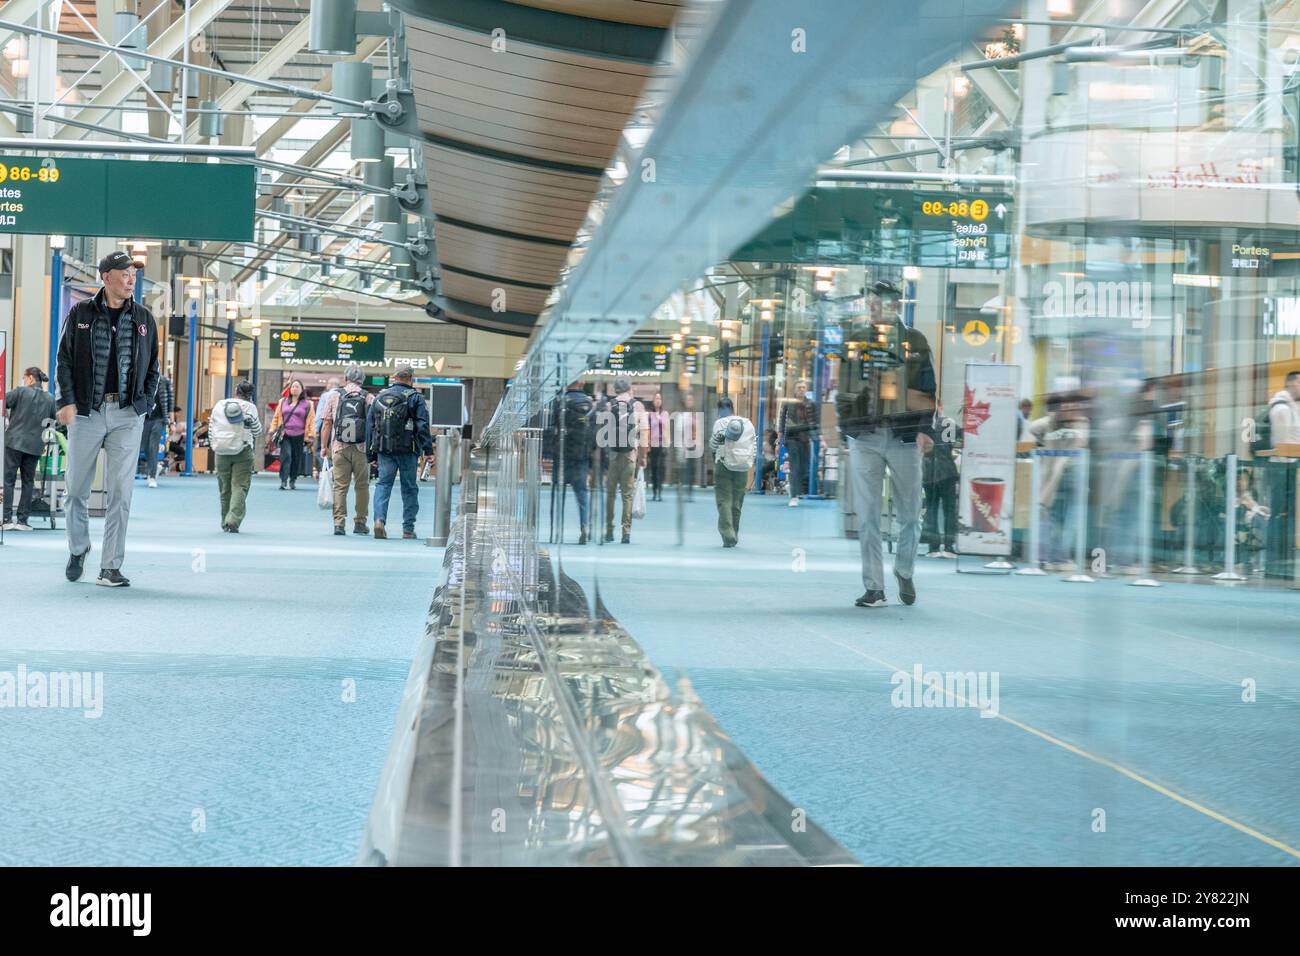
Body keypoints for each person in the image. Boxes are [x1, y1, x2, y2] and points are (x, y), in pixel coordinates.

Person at [55, 250, 160, 588]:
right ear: (106, 277)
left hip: (128, 415)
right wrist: (67, 401)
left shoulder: (144, 318)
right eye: (124, 272)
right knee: (76, 490)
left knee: (120, 493)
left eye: (133, 273)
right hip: (87, 413)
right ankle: (78, 547)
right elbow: (64, 361)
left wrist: (143, 403)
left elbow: (153, 367)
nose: (131, 279)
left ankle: (110, 566)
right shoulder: (81, 313)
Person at [836, 280, 935, 608]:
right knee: (868, 514)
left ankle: (904, 569)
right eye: (872, 304)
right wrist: (847, 425)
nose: (875, 309)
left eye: (881, 304)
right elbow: (844, 385)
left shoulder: (915, 341)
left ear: (895, 305)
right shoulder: (857, 340)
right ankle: (874, 586)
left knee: (910, 512)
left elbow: (927, 387)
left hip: (904, 437)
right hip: (867, 436)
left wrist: (924, 430)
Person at [368, 365, 432, 539]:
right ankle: (408, 529)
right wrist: (428, 449)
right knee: (409, 488)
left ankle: (379, 521)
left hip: (384, 449)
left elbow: (371, 427)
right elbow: (422, 425)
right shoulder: (416, 398)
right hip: (408, 450)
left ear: (395, 377)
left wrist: (371, 454)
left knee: (383, 484)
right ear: (411, 378)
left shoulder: (379, 397)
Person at [319, 363, 373, 536]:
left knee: (340, 486)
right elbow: (374, 424)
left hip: (339, 447)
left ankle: (339, 523)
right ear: (362, 380)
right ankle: (360, 523)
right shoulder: (368, 397)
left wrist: (323, 447)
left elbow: (326, 423)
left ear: (345, 378)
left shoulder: (334, 395)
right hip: (362, 448)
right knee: (362, 486)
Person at [3, 366, 57, 531]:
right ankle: (22, 521)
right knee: (28, 482)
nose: (24, 381)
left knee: (8, 481)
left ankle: (5, 518)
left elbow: (3, 401)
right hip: (34, 446)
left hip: (13, 443)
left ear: (31, 378)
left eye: (25, 378)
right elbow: (53, 421)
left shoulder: (20, 392)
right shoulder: (50, 399)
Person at [598, 376, 647, 544]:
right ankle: (626, 532)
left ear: (615, 389)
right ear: (629, 388)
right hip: (630, 455)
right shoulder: (638, 406)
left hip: (612, 455)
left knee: (610, 494)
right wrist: (643, 456)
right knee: (627, 495)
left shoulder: (608, 405)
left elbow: (602, 433)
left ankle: (609, 531)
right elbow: (644, 433)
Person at [208, 380, 262, 533]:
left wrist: (215, 445)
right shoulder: (250, 408)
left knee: (224, 488)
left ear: (236, 391)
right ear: (250, 395)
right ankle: (233, 519)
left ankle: (224, 521)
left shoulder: (219, 405)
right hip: (242, 451)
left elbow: (211, 428)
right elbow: (257, 431)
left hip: (221, 451)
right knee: (240, 486)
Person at [1266, 371, 1300, 578]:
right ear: (1292, 383)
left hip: (1289, 465)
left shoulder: (1293, 407)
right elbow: (1283, 444)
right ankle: (1276, 562)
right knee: (1280, 516)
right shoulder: (1281, 407)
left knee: (1287, 516)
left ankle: (1282, 560)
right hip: (1283, 467)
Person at [709, 397, 756, 547]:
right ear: (733, 408)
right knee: (737, 502)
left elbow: (714, 445)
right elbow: (753, 445)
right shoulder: (748, 424)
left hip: (724, 465)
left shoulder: (720, 423)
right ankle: (734, 532)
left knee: (724, 500)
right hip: (743, 467)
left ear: (720, 410)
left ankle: (728, 534)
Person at [555, 380, 595, 544]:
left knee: (560, 494)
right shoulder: (589, 403)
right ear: (581, 383)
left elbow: (554, 428)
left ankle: (558, 531)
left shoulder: (559, 401)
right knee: (582, 493)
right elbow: (593, 433)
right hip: (581, 456)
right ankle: (584, 526)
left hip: (564, 455)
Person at [922, 410, 960, 558]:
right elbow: (952, 444)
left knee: (931, 509)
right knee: (949, 510)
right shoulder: (949, 422)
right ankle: (949, 547)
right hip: (947, 471)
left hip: (929, 471)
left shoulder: (923, 424)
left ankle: (933, 547)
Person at [269, 379, 315, 490]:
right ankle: (283, 480)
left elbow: (311, 420)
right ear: (290, 389)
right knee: (286, 457)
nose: (294, 388)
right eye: (293, 386)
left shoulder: (308, 404)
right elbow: (276, 417)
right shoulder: (283, 401)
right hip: (285, 435)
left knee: (296, 458)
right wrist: (272, 430)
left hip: (300, 435)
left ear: (301, 390)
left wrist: (311, 435)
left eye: (297, 387)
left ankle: (293, 479)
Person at [779, 378, 818, 506]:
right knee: (795, 466)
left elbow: (813, 421)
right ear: (795, 389)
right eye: (799, 387)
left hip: (805, 438)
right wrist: (780, 439)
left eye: (803, 387)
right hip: (791, 438)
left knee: (803, 468)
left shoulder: (810, 403)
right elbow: (782, 421)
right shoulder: (788, 403)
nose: (801, 389)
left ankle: (793, 488)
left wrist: (818, 437)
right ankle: (794, 496)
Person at [137, 373, 173, 487]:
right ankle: (154, 466)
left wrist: (171, 421)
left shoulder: (164, 381)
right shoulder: (142, 380)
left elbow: (170, 400)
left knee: (153, 446)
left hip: (159, 418)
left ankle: (152, 476)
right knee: (145, 446)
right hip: (146, 418)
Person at [313, 376, 340, 479]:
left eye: (328, 383)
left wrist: (316, 429)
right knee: (334, 449)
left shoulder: (325, 396)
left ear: (332, 384)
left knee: (320, 449)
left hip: (326, 426)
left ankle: (329, 467)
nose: (326, 385)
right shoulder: (341, 394)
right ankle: (335, 469)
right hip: (338, 428)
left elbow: (320, 413)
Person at [646, 392, 670, 502]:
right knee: (654, 469)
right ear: (653, 401)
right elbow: (647, 431)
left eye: (659, 398)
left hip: (662, 445)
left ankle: (659, 492)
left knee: (660, 469)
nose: (658, 400)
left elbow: (667, 430)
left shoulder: (665, 414)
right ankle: (655, 491)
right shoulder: (649, 415)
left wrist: (668, 443)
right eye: (656, 398)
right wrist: (647, 445)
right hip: (653, 446)